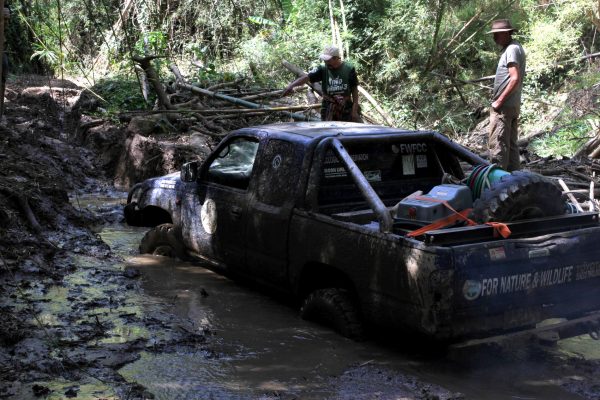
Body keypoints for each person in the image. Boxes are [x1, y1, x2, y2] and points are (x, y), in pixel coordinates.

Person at [282, 45, 360, 122]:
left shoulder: (349, 69)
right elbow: (306, 77)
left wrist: (354, 110)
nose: (326, 62)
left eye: (328, 60)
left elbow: (354, 89)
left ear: (336, 58)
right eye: (325, 60)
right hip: (328, 106)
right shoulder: (322, 69)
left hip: (345, 105)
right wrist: (291, 86)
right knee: (328, 130)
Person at [487, 19, 526, 172]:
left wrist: (499, 101)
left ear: (505, 33)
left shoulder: (512, 49)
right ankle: (513, 181)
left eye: (496, 34)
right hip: (511, 104)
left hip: (504, 106)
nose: (494, 38)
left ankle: (497, 183)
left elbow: (514, 78)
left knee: (498, 144)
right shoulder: (515, 47)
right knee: (510, 145)